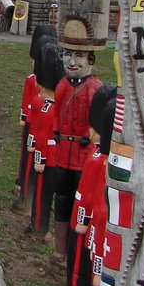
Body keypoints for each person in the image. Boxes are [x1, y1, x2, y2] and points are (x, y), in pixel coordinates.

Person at [50, 19, 103, 271]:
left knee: (81, 204)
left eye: (78, 57)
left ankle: (77, 251)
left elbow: (98, 121)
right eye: (68, 55)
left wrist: (89, 136)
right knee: (61, 199)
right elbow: (55, 113)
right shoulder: (62, 85)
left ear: (90, 60)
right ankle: (60, 249)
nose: (72, 62)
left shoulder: (94, 89)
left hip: (83, 156)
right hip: (63, 154)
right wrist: (56, 133)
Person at [67, 83, 117, 286]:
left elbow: (85, 195)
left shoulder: (97, 160)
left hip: (96, 226)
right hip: (95, 223)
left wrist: (82, 219)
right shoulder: (98, 158)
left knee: (82, 266)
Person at [14, 24, 57, 213]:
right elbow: (28, 100)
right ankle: (23, 191)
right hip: (35, 128)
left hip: (42, 135)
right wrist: (25, 117)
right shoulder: (32, 80)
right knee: (27, 158)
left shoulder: (49, 101)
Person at [29, 41, 65, 237]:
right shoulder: (47, 109)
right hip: (48, 159)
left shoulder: (53, 106)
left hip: (55, 158)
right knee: (42, 194)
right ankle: (38, 225)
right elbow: (42, 135)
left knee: (48, 193)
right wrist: (39, 160)